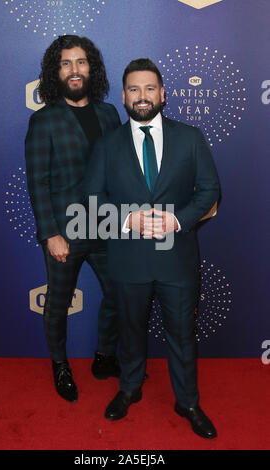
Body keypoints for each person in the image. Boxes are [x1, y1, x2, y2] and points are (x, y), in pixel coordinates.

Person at [84, 58, 220, 439]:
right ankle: (129, 389)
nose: (141, 96)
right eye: (133, 89)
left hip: (177, 258)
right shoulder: (107, 144)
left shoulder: (190, 137)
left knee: (182, 332)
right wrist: (129, 220)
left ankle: (187, 401)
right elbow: (91, 199)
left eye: (149, 88)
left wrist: (177, 219)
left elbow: (210, 190)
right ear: (123, 97)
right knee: (129, 330)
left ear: (162, 93)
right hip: (129, 259)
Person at [25, 35, 121, 403]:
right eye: (66, 63)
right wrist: (50, 233)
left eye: (81, 62)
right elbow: (39, 182)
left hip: (108, 226)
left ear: (91, 68)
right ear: (56, 71)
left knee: (118, 294)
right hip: (65, 230)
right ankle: (60, 365)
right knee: (58, 301)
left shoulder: (109, 113)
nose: (74, 69)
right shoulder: (44, 120)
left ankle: (104, 357)